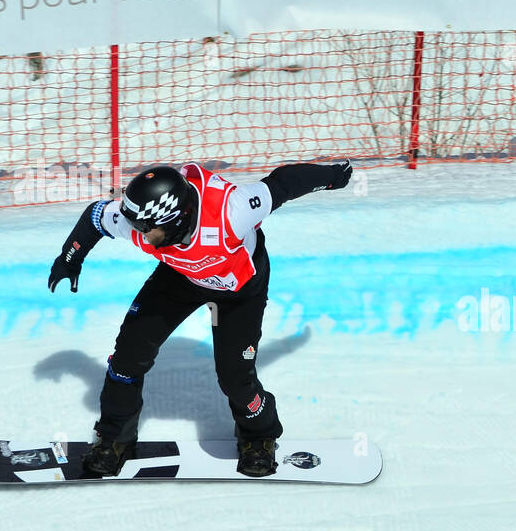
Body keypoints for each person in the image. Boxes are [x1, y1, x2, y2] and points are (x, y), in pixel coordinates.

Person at [47, 160, 353, 477]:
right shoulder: (139, 220)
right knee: (127, 359)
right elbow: (96, 217)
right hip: (180, 280)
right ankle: (115, 439)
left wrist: (332, 177)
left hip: (239, 293)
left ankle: (258, 436)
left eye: (146, 230)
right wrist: (70, 258)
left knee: (235, 378)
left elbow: (283, 184)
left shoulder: (232, 210)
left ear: (178, 219)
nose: (137, 235)